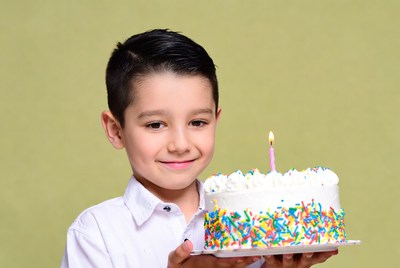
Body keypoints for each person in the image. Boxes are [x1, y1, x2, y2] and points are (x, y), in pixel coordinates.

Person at [61, 29, 337, 268]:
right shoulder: (96, 233)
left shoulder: (247, 220)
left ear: (215, 121)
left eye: (197, 122)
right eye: (156, 125)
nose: (180, 145)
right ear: (115, 130)